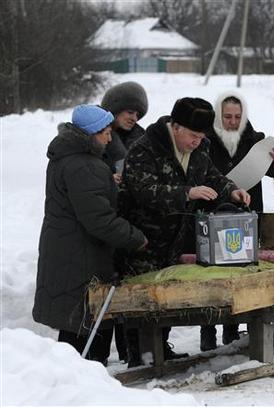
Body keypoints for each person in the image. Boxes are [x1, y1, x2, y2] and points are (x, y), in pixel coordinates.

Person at [121, 97, 251, 366]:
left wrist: (232, 190)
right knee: (140, 300)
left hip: (175, 239)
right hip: (143, 240)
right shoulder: (144, 149)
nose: (197, 140)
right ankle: (141, 357)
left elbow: (212, 176)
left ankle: (161, 349)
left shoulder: (200, 148)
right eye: (193, 134)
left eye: (202, 135)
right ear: (175, 126)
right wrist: (187, 193)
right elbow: (143, 191)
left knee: (165, 297)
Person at [33, 105, 147, 366]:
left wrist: (108, 182)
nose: (110, 138)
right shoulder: (85, 165)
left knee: (75, 322)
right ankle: (81, 382)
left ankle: (73, 377)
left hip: (66, 247)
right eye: (105, 133)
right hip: (81, 254)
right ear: (91, 134)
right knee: (83, 325)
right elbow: (99, 220)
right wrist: (135, 238)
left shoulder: (68, 157)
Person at [199, 91, 274, 351]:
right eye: (227, 116)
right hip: (212, 212)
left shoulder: (253, 139)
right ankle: (208, 329)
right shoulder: (206, 139)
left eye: (237, 116)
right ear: (218, 115)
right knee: (211, 273)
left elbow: (271, 171)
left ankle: (232, 328)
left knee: (241, 271)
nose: (232, 122)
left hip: (246, 214)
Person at [100, 81, 149, 362]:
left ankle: (132, 352)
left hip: (131, 220)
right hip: (106, 222)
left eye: (138, 113)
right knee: (106, 287)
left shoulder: (141, 139)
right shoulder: (96, 135)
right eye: (128, 111)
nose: (133, 117)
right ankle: (99, 354)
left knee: (129, 287)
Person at [101, 81, 149, 184]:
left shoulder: (142, 140)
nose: (134, 118)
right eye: (130, 112)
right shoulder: (91, 137)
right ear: (114, 110)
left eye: (137, 115)